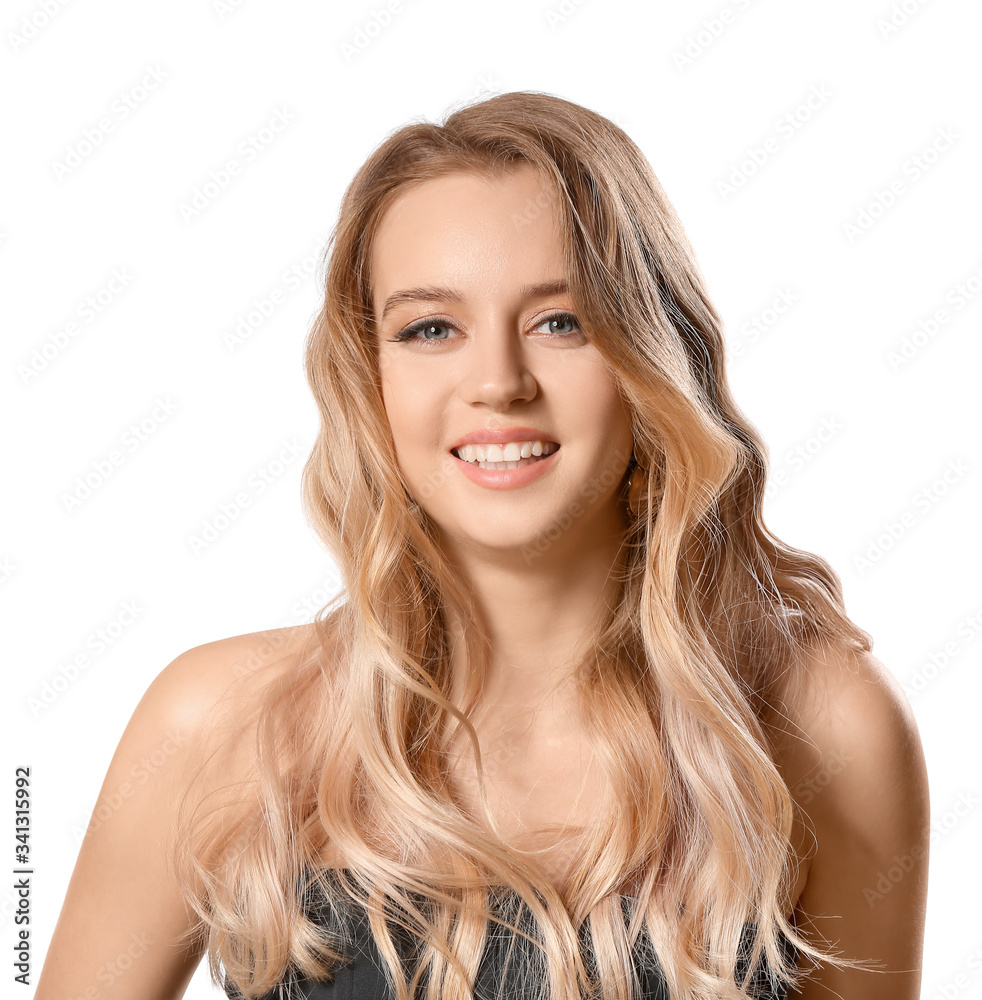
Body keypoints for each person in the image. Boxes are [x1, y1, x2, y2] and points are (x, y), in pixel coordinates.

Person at [35, 91, 929, 1000]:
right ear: (368, 374)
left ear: (651, 356)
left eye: (561, 321)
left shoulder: (823, 726)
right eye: (431, 329)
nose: (498, 383)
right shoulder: (215, 726)